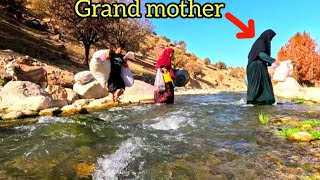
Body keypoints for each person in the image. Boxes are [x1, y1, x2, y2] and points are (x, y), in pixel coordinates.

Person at [246, 29, 279, 105]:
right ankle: (251, 103)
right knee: (256, 85)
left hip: (257, 66)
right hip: (256, 66)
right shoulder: (261, 42)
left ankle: (263, 102)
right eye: (271, 37)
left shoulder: (258, 43)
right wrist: (274, 61)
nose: (271, 40)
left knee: (265, 84)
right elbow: (261, 54)